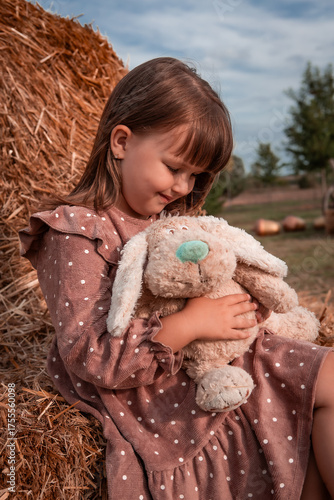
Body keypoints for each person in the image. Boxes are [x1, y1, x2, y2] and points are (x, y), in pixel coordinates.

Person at [19, 57, 334, 499]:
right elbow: (91, 355)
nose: (185, 187)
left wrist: (243, 305)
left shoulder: (171, 223)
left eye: (196, 175)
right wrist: (193, 323)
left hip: (221, 356)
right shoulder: (76, 234)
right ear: (122, 141)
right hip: (157, 393)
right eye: (174, 167)